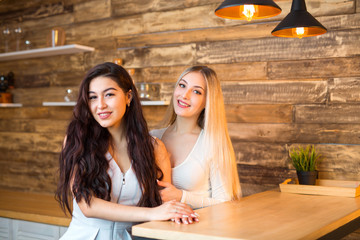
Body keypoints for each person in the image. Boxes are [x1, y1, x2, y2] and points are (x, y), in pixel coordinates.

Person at [56, 62, 197, 240]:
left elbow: (164, 205)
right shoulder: (77, 142)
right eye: (92, 97)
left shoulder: (154, 148)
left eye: (109, 95)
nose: (100, 105)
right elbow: (87, 205)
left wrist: (180, 212)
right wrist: (151, 214)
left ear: (128, 96)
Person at [151, 66, 242, 211]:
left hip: (197, 230)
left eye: (196, 91)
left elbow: (225, 203)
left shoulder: (212, 144)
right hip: (153, 229)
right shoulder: (152, 137)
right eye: (182, 85)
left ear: (208, 101)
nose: (185, 95)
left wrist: (181, 197)